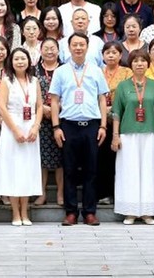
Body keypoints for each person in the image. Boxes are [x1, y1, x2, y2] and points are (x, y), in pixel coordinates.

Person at [49, 33, 110, 226]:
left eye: (81, 45)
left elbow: (102, 99)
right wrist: (56, 127)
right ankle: (71, 212)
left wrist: (103, 125)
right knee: (69, 171)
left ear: (87, 47)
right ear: (68, 48)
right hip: (68, 125)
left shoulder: (96, 70)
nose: (78, 48)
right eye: (74, 44)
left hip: (91, 125)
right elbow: (54, 100)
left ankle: (90, 212)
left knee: (91, 170)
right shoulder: (61, 72)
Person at [110, 49, 154, 225]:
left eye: (143, 60)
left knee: (150, 171)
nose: (139, 64)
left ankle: (148, 212)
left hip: (151, 134)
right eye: (135, 61)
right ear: (130, 64)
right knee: (129, 171)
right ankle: (131, 211)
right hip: (128, 135)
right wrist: (115, 136)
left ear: (148, 63)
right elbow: (116, 113)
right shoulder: (123, 86)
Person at [0, 48, 44, 226]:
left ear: (29, 61)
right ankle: (15, 213)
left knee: (27, 170)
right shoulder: (6, 81)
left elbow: (40, 106)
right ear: (11, 62)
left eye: (23, 58)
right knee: (13, 170)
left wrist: (36, 127)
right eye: (16, 59)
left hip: (30, 128)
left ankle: (25, 212)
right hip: (12, 128)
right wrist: (15, 130)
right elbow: (1, 107)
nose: (20, 62)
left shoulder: (34, 81)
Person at [97, 42, 130, 206]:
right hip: (101, 120)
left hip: (121, 120)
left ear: (120, 55)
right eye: (107, 52)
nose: (111, 55)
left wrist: (114, 108)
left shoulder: (127, 72)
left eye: (114, 52)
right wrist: (104, 109)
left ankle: (120, 193)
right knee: (103, 158)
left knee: (120, 158)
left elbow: (129, 94)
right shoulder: (97, 72)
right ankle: (104, 192)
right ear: (102, 56)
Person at [34, 38, 65, 206]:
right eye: (46, 48)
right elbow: (28, 92)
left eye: (53, 48)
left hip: (62, 117)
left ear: (58, 51)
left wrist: (57, 107)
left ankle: (60, 193)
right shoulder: (34, 70)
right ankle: (42, 193)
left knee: (61, 157)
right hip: (41, 117)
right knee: (41, 158)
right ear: (40, 51)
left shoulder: (65, 69)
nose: (49, 51)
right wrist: (43, 107)